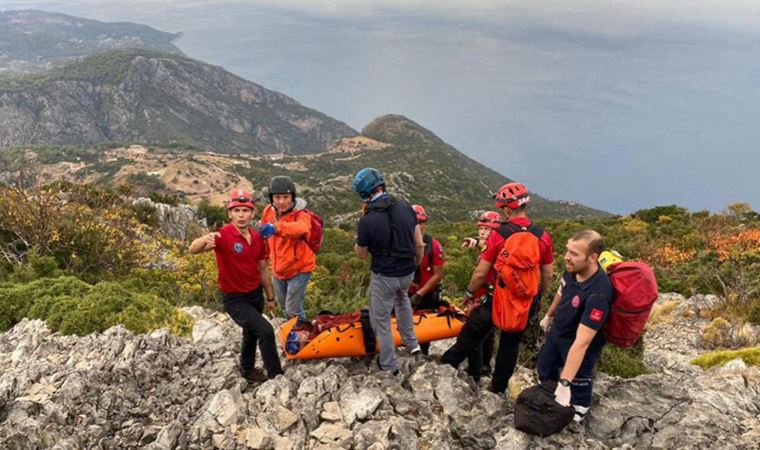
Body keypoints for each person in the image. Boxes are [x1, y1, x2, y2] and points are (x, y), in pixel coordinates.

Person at [441, 182, 553, 394]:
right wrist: (537, 296)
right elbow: (547, 274)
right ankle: (498, 388)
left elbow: (481, 272)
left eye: (503, 208)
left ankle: (446, 367)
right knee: (510, 345)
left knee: (471, 334)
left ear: (509, 208)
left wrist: (469, 293)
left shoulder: (499, 234)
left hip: (497, 297)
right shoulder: (542, 236)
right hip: (524, 301)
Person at [189, 189, 283, 383]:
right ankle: (276, 376)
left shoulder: (257, 238)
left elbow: (263, 269)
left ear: (252, 213)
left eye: (245, 210)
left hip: (255, 294)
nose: (241, 215)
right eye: (237, 210)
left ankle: (247, 370)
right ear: (229, 213)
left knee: (251, 332)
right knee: (265, 331)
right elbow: (193, 250)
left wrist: (270, 297)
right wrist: (203, 240)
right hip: (235, 298)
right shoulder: (223, 235)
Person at [536, 230, 613, 423]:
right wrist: (548, 315)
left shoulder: (598, 295)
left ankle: (578, 414)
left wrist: (565, 383)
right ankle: (549, 398)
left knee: (579, 381)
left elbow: (582, 342)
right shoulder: (573, 270)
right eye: (567, 251)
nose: (567, 257)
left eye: (574, 253)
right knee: (544, 367)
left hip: (577, 343)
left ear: (593, 257)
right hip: (558, 332)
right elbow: (562, 293)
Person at [353, 167, 423, 375]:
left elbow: (361, 254)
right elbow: (418, 244)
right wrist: (416, 265)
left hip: (384, 274)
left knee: (381, 320)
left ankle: (389, 364)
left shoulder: (367, 220)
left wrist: (357, 243)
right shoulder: (405, 206)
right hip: (406, 271)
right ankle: (412, 344)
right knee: (403, 301)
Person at [259, 176, 316, 323]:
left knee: (293, 310)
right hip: (279, 269)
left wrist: (276, 227)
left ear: (293, 197)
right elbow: (265, 236)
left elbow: (301, 228)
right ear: (272, 198)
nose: (282, 201)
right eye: (277, 197)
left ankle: (303, 337)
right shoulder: (268, 211)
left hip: (299, 269)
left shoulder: (301, 214)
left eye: (286, 197)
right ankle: (293, 334)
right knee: (285, 307)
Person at [408, 204, 446, 355]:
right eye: (414, 222)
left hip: (427, 294)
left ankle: (422, 354)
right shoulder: (401, 244)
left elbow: (438, 274)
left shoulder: (434, 246)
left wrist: (420, 293)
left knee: (424, 329)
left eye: (420, 222)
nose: (417, 226)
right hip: (404, 292)